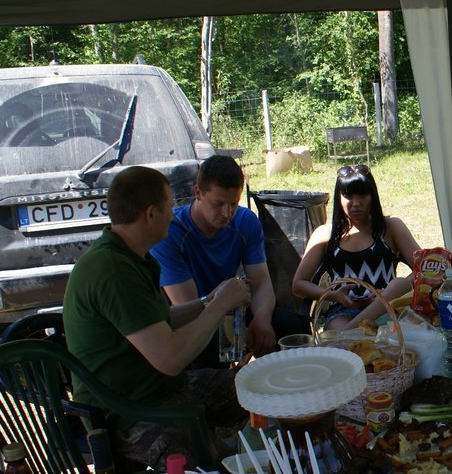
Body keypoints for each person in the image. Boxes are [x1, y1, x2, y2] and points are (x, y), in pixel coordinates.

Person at [63, 166, 251, 468]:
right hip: (127, 413)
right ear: (151, 214)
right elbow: (170, 358)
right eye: (168, 207)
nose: (173, 216)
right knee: (221, 472)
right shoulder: (112, 269)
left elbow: (159, 321)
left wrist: (208, 301)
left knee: (256, 386)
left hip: (160, 389)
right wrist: (220, 306)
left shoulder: (129, 257)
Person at [151, 155, 302, 364]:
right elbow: (188, 305)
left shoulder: (245, 221)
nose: (227, 213)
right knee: (213, 343)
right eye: (218, 203)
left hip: (233, 309)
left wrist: (262, 319)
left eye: (234, 203)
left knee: (290, 325)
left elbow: (261, 283)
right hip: (195, 315)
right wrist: (235, 328)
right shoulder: (171, 232)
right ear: (198, 193)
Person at [292, 164, 420, 330]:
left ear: (373, 196)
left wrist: (388, 292)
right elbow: (299, 284)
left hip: (386, 307)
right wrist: (334, 296)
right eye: (348, 196)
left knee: (399, 284)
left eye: (362, 195)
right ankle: (350, 332)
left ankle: (347, 335)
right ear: (339, 198)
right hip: (343, 310)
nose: (356, 203)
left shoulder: (390, 227)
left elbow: (426, 267)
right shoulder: (326, 234)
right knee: (339, 330)